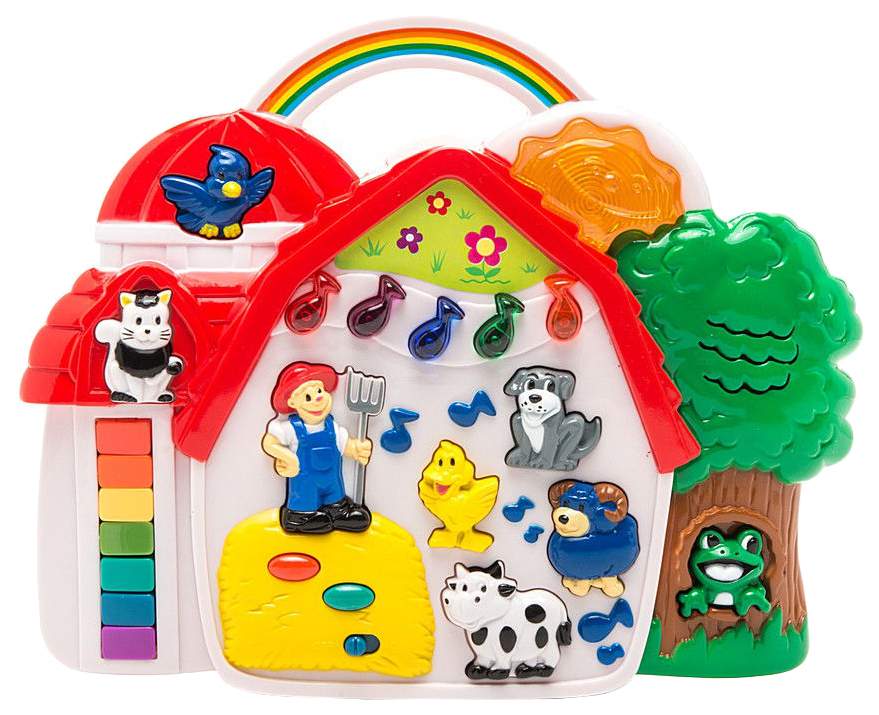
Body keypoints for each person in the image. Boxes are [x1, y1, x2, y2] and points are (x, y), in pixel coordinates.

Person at [262, 362, 372, 534]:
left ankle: (338, 513)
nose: (318, 399)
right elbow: (270, 443)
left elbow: (346, 446)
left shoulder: (332, 427)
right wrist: (287, 458)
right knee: (306, 501)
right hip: (306, 485)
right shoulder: (291, 429)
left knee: (339, 503)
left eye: (319, 391)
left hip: (332, 484)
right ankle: (300, 518)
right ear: (292, 402)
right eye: (308, 397)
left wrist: (358, 450)